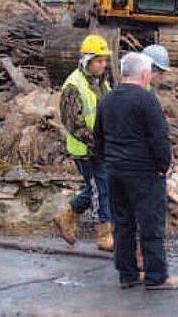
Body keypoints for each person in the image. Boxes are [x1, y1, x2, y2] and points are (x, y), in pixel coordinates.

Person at [94, 52, 178, 290]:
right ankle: (156, 276)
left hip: (115, 171)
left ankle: (127, 274)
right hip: (144, 172)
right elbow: (159, 137)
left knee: (122, 224)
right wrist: (163, 166)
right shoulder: (146, 100)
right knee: (150, 223)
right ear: (145, 74)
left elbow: (98, 138)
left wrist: (109, 162)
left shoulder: (106, 100)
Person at [53, 34, 114, 251]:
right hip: (86, 150)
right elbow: (74, 123)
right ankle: (104, 234)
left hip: (103, 146)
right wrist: (96, 143)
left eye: (104, 60)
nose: (103, 64)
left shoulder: (101, 83)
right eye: (99, 60)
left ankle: (67, 214)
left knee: (99, 187)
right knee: (101, 188)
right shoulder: (73, 85)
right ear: (87, 60)